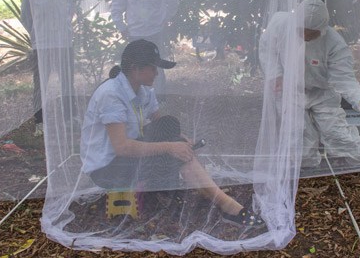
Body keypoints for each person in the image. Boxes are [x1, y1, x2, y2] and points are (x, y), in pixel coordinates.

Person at [80, 39, 264, 228]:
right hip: (108, 169)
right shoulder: (111, 95)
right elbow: (122, 147)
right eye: (152, 68)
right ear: (135, 69)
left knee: (171, 126)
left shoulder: (141, 91)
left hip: (125, 159)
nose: (157, 73)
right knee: (176, 153)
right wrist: (171, 147)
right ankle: (228, 206)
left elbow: (161, 123)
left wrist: (180, 140)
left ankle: (206, 195)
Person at [259, 0, 360, 168]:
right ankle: (306, 167)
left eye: (311, 32)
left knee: (336, 132)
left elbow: (344, 79)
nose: (305, 36)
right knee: (296, 134)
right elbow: (267, 48)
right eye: (302, 30)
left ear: (322, 29)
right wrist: (275, 74)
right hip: (290, 90)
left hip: (322, 93)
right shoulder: (279, 24)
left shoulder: (335, 44)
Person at [110, 0, 179, 95]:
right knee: (135, 67)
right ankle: (137, 100)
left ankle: (159, 100)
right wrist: (121, 27)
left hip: (156, 32)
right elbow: (116, 6)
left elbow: (173, 2)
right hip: (134, 33)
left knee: (157, 66)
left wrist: (165, 19)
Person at [20, 0, 75, 127]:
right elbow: (26, 17)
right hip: (42, 45)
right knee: (40, 85)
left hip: (64, 44)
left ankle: (69, 118)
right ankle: (39, 121)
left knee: (67, 83)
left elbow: (70, 12)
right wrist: (37, 33)